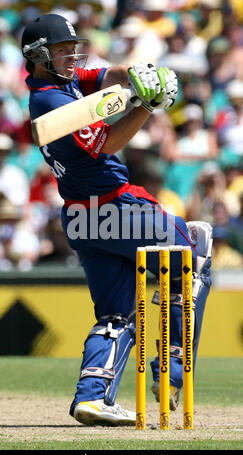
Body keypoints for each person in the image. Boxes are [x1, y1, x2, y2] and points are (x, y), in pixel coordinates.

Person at [21, 13, 212, 427]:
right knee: (194, 255)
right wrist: (148, 105)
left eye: (72, 48)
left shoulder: (62, 83)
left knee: (115, 315)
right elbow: (108, 144)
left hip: (80, 217)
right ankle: (173, 372)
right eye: (61, 51)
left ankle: (93, 396)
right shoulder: (52, 101)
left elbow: (106, 74)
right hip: (115, 209)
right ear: (38, 56)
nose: (71, 56)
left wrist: (141, 72)